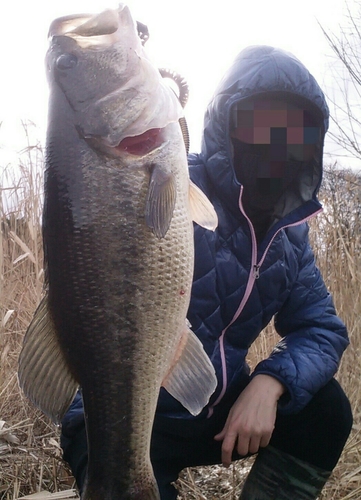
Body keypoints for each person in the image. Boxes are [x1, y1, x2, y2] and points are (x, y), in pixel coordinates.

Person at [60, 45, 353, 499]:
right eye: (260, 122)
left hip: (211, 412)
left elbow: (323, 328)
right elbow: (96, 215)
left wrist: (270, 381)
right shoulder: (171, 184)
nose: (278, 143)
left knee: (327, 408)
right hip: (117, 420)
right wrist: (124, 90)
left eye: (295, 131)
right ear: (226, 123)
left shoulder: (291, 237)